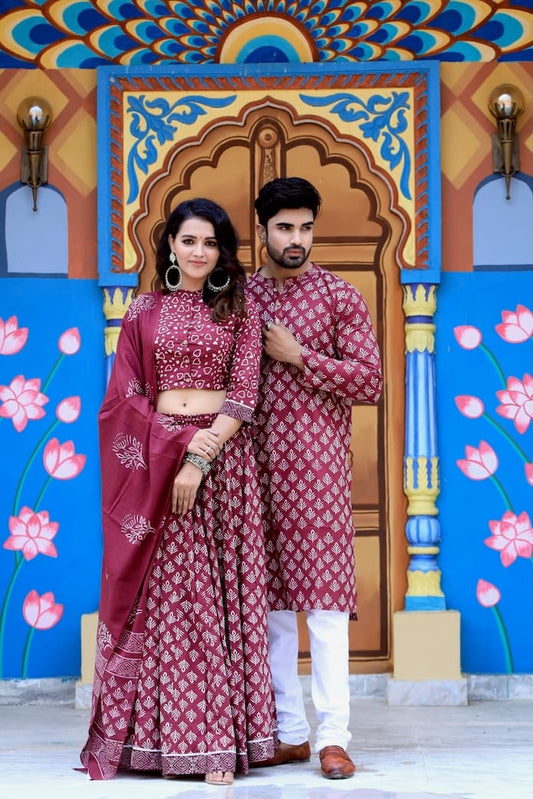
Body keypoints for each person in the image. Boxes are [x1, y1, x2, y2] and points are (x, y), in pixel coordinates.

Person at [80, 198, 276, 784]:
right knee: (175, 605)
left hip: (221, 468)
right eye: (189, 241)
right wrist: (170, 448)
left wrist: (199, 455)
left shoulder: (238, 309)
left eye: (211, 243)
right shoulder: (144, 310)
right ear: (170, 245)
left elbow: (245, 392)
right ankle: (167, 743)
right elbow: (124, 398)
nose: (199, 252)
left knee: (218, 602)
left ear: (222, 253)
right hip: (160, 465)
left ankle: (218, 744)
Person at [247, 177, 382, 780]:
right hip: (251, 471)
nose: (296, 239)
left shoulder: (338, 297)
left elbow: (369, 381)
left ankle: (333, 736)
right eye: (284, 228)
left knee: (324, 613)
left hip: (319, 473)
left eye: (305, 227)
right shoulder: (242, 297)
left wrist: (299, 357)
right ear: (263, 231)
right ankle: (289, 731)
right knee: (271, 611)